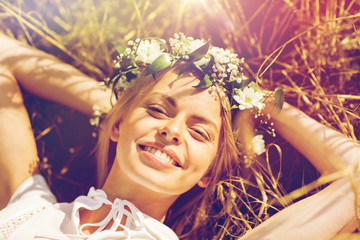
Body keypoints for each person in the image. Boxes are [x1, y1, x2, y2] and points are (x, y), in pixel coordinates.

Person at [0, 32, 359, 240]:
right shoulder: (28, 206)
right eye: (158, 110)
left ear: (209, 174)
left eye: (199, 131)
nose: (172, 130)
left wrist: (259, 102)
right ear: (116, 126)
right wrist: (120, 105)